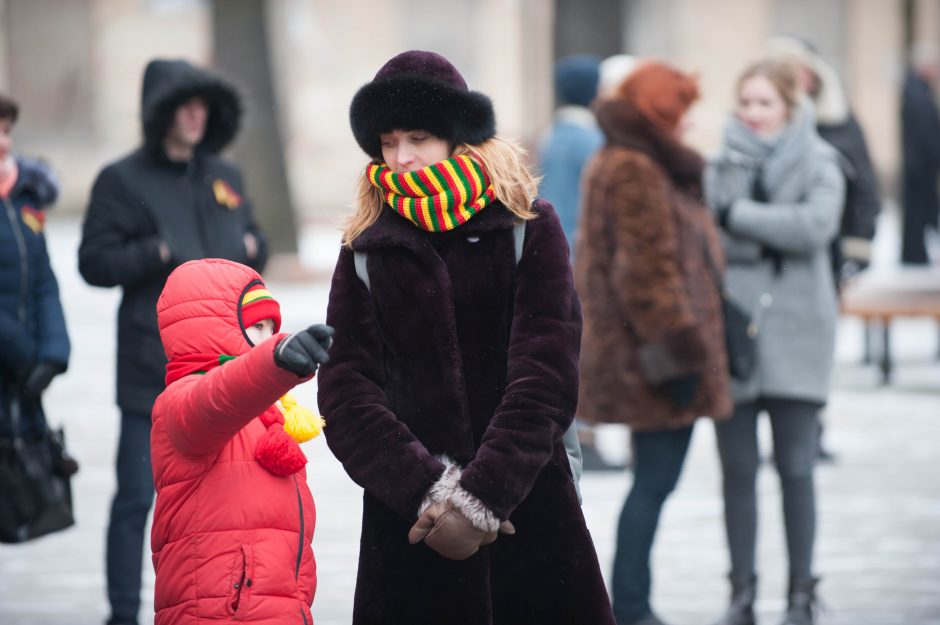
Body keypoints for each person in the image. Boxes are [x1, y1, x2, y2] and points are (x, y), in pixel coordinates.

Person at [316, 50, 615, 625]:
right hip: (409, 535)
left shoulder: (527, 227)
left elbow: (546, 375)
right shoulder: (366, 248)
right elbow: (347, 393)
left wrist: (482, 498)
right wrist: (428, 492)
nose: (399, 158)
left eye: (418, 137)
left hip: (529, 513)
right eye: (387, 141)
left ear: (457, 137)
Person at [77, 59, 268, 625]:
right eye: (184, 105)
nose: (195, 114)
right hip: (151, 370)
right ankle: (122, 613)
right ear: (161, 111)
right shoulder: (122, 179)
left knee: (225, 502)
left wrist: (253, 245)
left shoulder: (224, 176)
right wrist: (152, 254)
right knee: (138, 498)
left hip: (229, 368)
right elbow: (92, 260)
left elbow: (254, 241)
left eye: (202, 105)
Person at [575, 61, 733, 625]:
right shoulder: (635, 167)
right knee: (652, 484)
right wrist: (681, 353)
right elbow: (646, 272)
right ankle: (632, 607)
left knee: (651, 483)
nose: (690, 122)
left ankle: (630, 603)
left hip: (650, 352)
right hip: (656, 359)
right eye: (683, 110)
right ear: (662, 113)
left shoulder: (632, 161)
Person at [705, 59, 844, 625]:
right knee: (736, 471)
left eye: (765, 103)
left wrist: (740, 216)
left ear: (789, 105)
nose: (753, 114)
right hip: (733, 335)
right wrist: (760, 226)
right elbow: (710, 235)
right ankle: (741, 593)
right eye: (746, 102)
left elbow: (815, 226)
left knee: (796, 468)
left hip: (800, 334)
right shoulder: (719, 164)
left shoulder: (822, 161)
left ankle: (801, 594)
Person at [149, 258, 332, 624]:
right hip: (217, 611)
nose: (268, 338)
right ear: (214, 330)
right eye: (257, 328)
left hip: (276, 607)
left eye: (272, 328)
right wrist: (273, 363)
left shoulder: (267, 413)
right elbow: (218, 398)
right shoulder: (182, 402)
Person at [763, 36, 882, 463]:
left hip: (824, 255)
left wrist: (857, 246)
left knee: (814, 344)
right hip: (766, 259)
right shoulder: (762, 121)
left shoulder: (839, 123)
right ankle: (778, 432)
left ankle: (810, 430)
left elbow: (865, 188)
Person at [538, 54, 622, 472]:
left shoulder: (553, 135)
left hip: (558, 250)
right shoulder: (589, 140)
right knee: (581, 349)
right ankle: (586, 435)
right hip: (579, 254)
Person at [0, 92, 70, 440]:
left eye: (6, 131)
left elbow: (43, 279)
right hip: (16, 363)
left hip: (24, 385)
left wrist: (54, 353)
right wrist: (22, 352)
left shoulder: (25, 196)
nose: (2, 143)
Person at [900, 42, 940, 265]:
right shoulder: (918, 93)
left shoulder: (915, 90)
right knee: (917, 212)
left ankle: (914, 253)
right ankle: (914, 254)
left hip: (917, 163)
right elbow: (927, 132)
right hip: (920, 165)